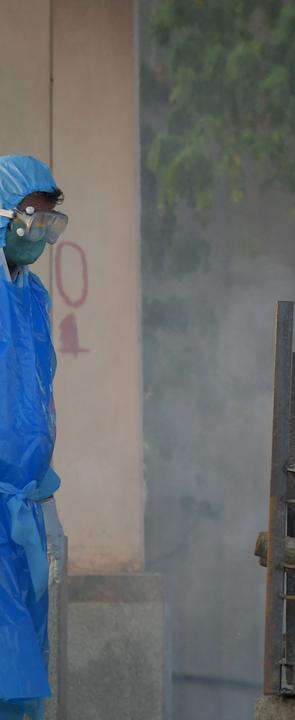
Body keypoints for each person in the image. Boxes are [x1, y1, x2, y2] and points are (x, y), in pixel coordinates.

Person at [0, 156, 66, 719]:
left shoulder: (35, 295)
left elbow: (40, 391)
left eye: (50, 221)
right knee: (9, 661)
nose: (40, 232)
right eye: (30, 218)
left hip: (25, 508)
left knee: (24, 657)